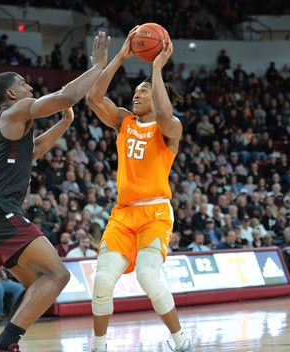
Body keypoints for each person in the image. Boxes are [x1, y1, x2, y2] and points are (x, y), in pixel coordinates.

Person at [0, 31, 110, 352]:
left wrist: (64, 123)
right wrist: (98, 66)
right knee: (58, 275)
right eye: (23, 82)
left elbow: (37, 147)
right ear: (12, 93)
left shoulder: (4, 125)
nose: (29, 85)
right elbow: (65, 96)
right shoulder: (18, 109)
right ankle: (3, 346)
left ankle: (3, 343)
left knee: (37, 285)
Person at [85, 27, 192, 352]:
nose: (136, 95)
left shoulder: (170, 128)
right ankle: (100, 346)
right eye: (136, 90)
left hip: (156, 213)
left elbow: (162, 112)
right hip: (123, 215)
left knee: (148, 275)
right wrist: (120, 56)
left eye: (144, 91)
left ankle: (180, 340)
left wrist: (156, 69)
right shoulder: (123, 120)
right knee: (102, 281)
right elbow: (93, 99)